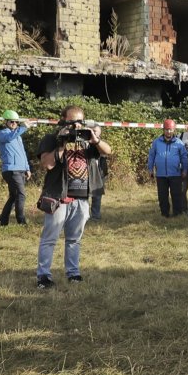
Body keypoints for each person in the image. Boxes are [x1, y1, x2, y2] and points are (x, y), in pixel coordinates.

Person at [36, 105, 110, 287]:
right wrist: (61, 144)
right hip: (58, 197)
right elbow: (47, 164)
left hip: (82, 197)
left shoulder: (86, 139)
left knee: (74, 239)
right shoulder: (51, 139)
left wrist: (95, 140)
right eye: (72, 122)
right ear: (63, 120)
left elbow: (107, 151)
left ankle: (73, 273)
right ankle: (43, 276)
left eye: (79, 122)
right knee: (49, 238)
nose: (76, 126)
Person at [147, 119, 188, 218]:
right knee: (162, 196)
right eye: (166, 129)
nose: (168, 132)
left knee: (176, 195)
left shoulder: (179, 143)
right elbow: (151, 156)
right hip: (161, 174)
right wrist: (150, 169)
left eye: (170, 129)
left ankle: (177, 214)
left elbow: (184, 157)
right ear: (163, 130)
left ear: (174, 130)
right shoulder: (156, 142)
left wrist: (185, 170)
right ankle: (164, 214)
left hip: (175, 174)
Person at [0, 110, 30, 227]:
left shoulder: (17, 135)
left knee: (14, 197)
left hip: (20, 169)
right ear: (5, 122)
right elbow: (10, 137)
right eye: (11, 122)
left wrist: (27, 168)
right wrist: (23, 127)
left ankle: (2, 222)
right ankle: (21, 222)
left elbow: (22, 153)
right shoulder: (2, 133)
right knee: (21, 195)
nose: (14, 123)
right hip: (11, 169)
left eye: (16, 122)